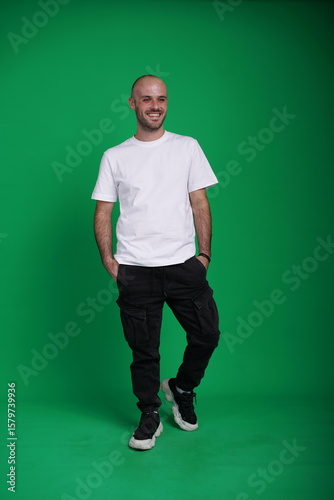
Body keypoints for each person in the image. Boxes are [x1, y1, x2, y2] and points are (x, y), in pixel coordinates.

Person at [91, 75, 220, 451]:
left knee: (207, 335)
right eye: (146, 99)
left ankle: (181, 388)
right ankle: (149, 413)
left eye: (161, 99)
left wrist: (204, 255)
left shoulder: (187, 148)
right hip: (135, 269)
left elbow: (200, 202)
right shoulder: (115, 156)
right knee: (144, 351)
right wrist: (109, 261)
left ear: (167, 103)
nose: (155, 105)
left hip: (183, 265)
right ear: (132, 104)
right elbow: (103, 212)